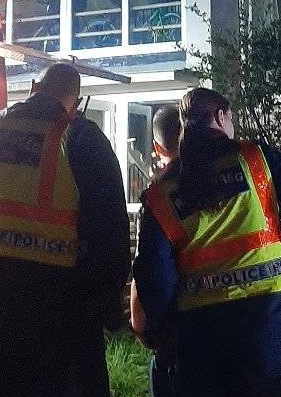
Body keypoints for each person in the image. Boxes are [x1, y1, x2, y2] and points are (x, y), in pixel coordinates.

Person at [133, 88, 281, 397]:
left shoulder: (160, 193)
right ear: (220, 117)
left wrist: (164, 331)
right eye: (231, 119)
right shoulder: (256, 160)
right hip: (265, 334)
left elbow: (155, 282)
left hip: (199, 344)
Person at [0, 63, 130, 397]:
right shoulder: (79, 137)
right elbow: (110, 227)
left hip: (0, 293)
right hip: (64, 297)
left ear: (33, 87)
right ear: (77, 103)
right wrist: (110, 307)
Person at [131, 105, 181, 397]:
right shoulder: (229, 183)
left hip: (176, 338)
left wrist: (141, 326)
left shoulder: (159, 197)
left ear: (157, 147)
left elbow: (149, 272)